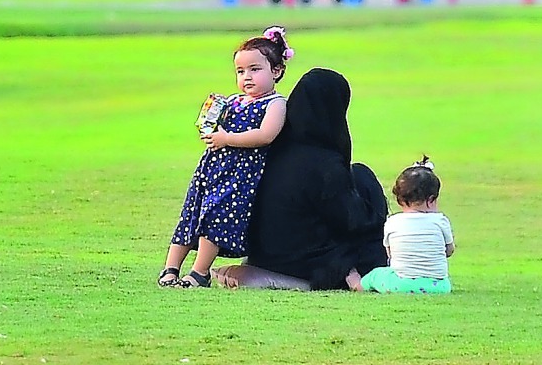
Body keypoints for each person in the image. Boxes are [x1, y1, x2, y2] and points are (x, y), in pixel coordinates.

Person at [213, 68, 389, 290]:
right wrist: (377, 205)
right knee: (364, 179)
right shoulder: (323, 163)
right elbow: (352, 222)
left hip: (264, 253)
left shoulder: (271, 147)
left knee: (358, 175)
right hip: (299, 262)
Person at [158, 27, 293, 288]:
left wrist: (227, 139)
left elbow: (265, 135)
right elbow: (211, 126)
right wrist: (209, 124)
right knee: (191, 215)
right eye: (241, 72)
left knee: (214, 219)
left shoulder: (275, 104)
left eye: (255, 69)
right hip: (211, 169)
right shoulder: (233, 101)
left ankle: (199, 273)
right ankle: (170, 268)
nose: (247, 77)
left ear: (276, 71)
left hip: (240, 175)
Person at [351, 159, 455, 294]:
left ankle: (357, 284)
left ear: (400, 199)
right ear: (431, 200)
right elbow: (449, 250)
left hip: (401, 284)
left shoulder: (392, 222)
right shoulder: (440, 221)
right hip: (439, 286)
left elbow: (390, 254)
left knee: (377, 274)